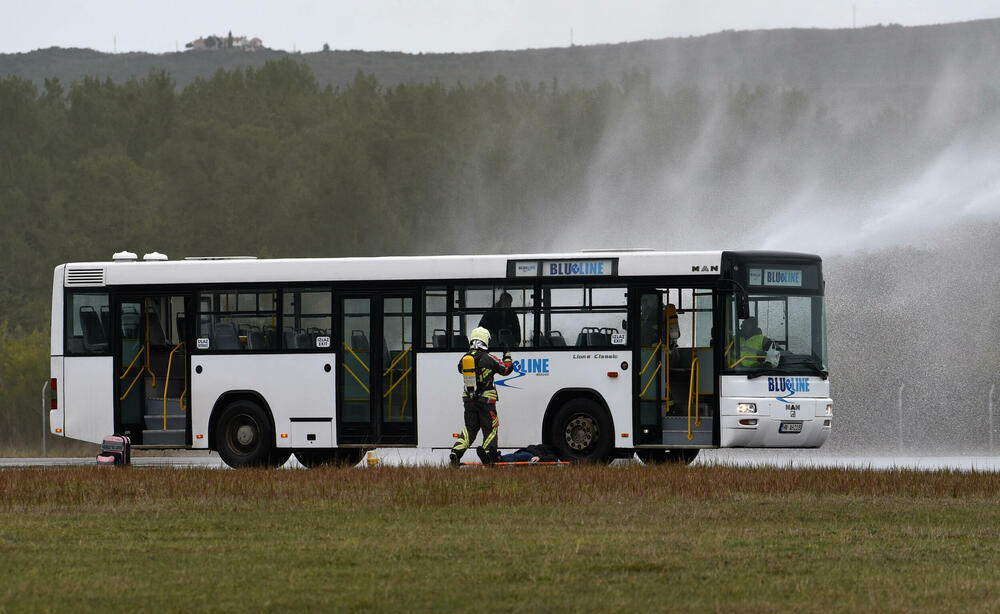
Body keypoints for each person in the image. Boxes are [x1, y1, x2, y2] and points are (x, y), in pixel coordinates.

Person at [450, 327, 514, 466]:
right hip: (486, 402)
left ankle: (456, 451)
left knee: (470, 429)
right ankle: (487, 453)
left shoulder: (464, 359)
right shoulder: (489, 358)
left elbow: (460, 368)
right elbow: (506, 369)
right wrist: (507, 353)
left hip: (468, 401)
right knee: (491, 429)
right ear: (486, 340)